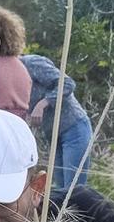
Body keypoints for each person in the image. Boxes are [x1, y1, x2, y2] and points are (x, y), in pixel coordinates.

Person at [22, 49, 94, 197]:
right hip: (54, 137)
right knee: (60, 192)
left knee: (74, 192)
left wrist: (43, 103)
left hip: (74, 129)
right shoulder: (9, 76)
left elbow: (67, 83)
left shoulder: (32, 63)